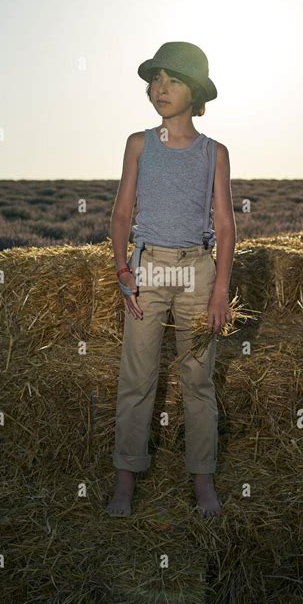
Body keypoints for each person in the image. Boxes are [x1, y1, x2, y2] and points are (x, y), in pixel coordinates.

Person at [107, 41, 236, 518]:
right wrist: (124, 269)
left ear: (195, 92)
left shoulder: (214, 152)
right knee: (136, 377)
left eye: (173, 80)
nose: (160, 88)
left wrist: (220, 290)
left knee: (198, 379)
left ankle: (203, 480)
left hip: (198, 272)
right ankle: (125, 478)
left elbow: (225, 225)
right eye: (155, 80)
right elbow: (121, 214)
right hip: (147, 268)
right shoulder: (138, 144)